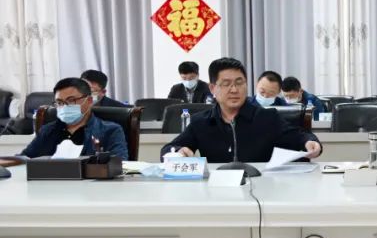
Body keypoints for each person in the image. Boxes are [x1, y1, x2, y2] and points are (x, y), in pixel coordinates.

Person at [160, 58, 322, 162]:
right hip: (218, 193)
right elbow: (169, 149)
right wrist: (178, 152)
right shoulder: (201, 122)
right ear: (213, 88)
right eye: (226, 84)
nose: (234, 90)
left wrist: (310, 141)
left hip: (262, 190)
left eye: (239, 83)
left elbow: (300, 136)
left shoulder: (267, 117)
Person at [18, 77, 128, 159]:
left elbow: (120, 163)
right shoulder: (48, 131)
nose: (65, 106)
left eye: (71, 100)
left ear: (89, 101)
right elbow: (25, 158)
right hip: (50, 182)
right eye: (59, 102)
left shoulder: (110, 131)